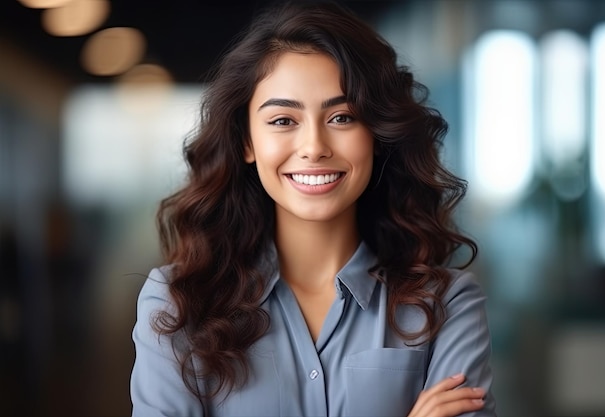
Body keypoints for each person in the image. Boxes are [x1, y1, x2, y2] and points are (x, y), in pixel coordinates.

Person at [130, 1, 496, 416]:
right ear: (247, 142)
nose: (315, 148)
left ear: (376, 134)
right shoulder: (178, 304)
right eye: (283, 121)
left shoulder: (447, 305)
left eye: (342, 117)